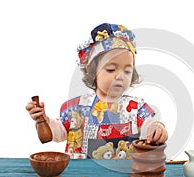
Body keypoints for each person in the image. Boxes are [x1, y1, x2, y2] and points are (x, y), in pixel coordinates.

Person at [26, 23, 168, 159]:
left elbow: (149, 125)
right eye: (111, 69)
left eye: (127, 71)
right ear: (93, 72)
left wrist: (156, 127)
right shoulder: (76, 109)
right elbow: (52, 135)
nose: (120, 76)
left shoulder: (136, 108)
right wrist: (42, 120)